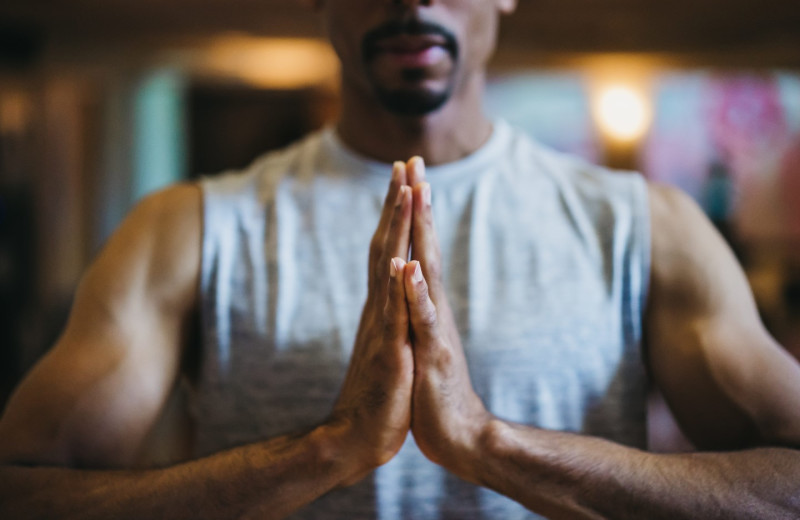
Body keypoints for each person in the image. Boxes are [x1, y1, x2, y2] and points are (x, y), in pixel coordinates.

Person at [2, 1, 800, 518]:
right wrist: (329, 449)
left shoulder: (642, 223)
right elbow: (23, 487)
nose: (411, 0)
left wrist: (492, 446)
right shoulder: (189, 229)